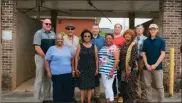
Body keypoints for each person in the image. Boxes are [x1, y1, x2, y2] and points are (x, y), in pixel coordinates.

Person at [45, 34, 74, 103]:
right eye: (58, 39)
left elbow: (72, 59)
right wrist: (48, 72)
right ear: (55, 40)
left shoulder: (67, 48)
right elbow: (46, 61)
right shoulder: (51, 49)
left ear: (63, 40)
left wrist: (73, 70)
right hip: (56, 74)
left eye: (61, 39)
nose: (60, 40)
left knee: (68, 92)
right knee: (57, 92)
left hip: (67, 74)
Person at [33, 19, 56, 103]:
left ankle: (46, 98)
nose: (48, 25)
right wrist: (46, 57)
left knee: (48, 78)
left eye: (50, 24)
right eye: (46, 23)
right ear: (43, 24)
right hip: (40, 58)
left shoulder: (53, 34)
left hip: (50, 60)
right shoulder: (38, 33)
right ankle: (36, 99)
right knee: (39, 79)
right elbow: (37, 48)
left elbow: (55, 47)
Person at [142, 24, 165, 103]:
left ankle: (160, 101)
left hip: (158, 68)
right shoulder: (146, 41)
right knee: (147, 86)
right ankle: (149, 101)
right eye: (151, 29)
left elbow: (163, 54)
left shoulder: (161, 40)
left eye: (154, 29)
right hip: (147, 68)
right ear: (149, 30)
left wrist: (155, 65)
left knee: (159, 87)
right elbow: (143, 53)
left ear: (157, 30)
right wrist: (146, 64)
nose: (153, 31)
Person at [75, 29, 99, 103]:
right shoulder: (80, 45)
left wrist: (97, 69)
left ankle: (88, 101)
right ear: (83, 37)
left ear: (91, 37)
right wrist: (75, 68)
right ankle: (82, 101)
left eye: (89, 36)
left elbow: (96, 58)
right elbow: (76, 57)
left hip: (91, 69)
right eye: (85, 36)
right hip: (82, 68)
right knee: (82, 87)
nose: (87, 37)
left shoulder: (94, 46)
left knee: (89, 88)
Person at [99, 33, 120, 103]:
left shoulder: (114, 48)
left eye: (110, 38)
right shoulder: (103, 47)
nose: (108, 40)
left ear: (112, 39)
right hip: (103, 70)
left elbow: (117, 60)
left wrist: (112, 71)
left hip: (109, 71)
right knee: (106, 86)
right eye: (107, 38)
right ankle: (108, 100)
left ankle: (111, 100)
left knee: (108, 86)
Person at [119, 29, 138, 103]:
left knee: (130, 86)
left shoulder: (133, 44)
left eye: (129, 35)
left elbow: (134, 57)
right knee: (124, 85)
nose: (127, 36)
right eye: (126, 34)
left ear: (132, 36)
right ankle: (126, 100)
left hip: (131, 69)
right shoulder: (124, 45)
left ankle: (131, 100)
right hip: (123, 69)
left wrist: (129, 68)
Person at [63, 23, 79, 102]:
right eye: (68, 29)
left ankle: (72, 96)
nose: (70, 30)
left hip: (75, 61)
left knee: (73, 80)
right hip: (65, 62)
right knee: (65, 79)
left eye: (72, 29)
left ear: (74, 30)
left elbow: (78, 49)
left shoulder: (77, 38)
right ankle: (65, 96)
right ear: (66, 30)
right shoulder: (63, 38)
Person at [91, 24, 105, 103]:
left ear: (98, 30)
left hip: (100, 61)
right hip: (90, 60)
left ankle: (97, 95)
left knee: (97, 78)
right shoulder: (88, 37)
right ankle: (89, 95)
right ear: (92, 29)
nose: (95, 30)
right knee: (89, 77)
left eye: (97, 28)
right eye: (94, 28)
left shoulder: (103, 39)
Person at [112, 23, 126, 103]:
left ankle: (121, 95)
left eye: (118, 27)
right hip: (111, 62)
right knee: (112, 79)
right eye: (115, 27)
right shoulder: (110, 38)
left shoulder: (123, 39)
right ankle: (114, 93)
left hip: (120, 62)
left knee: (120, 79)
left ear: (121, 29)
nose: (117, 28)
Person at [134, 25, 147, 100]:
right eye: (137, 29)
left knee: (142, 78)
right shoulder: (134, 39)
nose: (138, 30)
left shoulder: (146, 39)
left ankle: (144, 95)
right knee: (135, 78)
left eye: (140, 29)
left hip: (142, 60)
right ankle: (137, 94)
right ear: (136, 30)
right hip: (135, 60)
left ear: (143, 30)